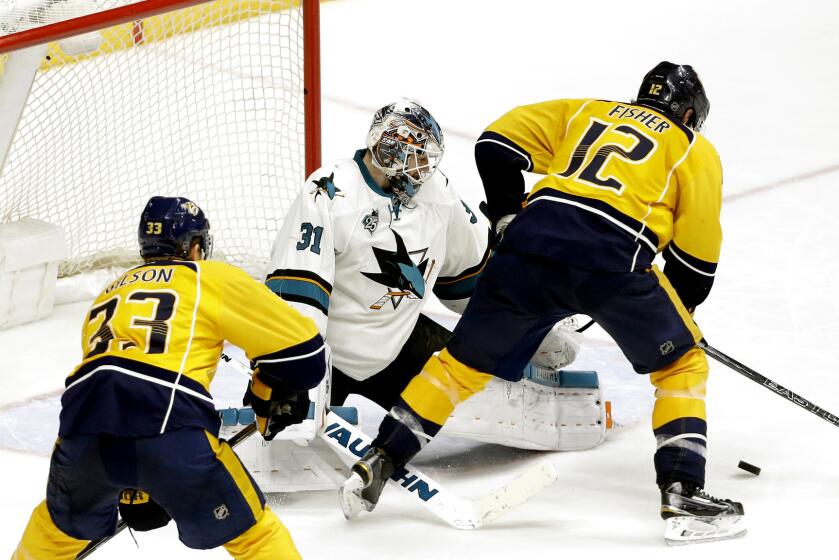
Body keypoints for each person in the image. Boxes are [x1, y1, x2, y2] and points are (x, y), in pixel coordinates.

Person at [342, 62, 745, 526]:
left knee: (458, 367)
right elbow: (695, 265)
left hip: (527, 249)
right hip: (611, 260)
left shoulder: (586, 111)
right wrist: (680, 322)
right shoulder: (693, 148)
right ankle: (682, 492)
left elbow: (495, 144)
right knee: (682, 364)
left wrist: (508, 216)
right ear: (691, 116)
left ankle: (379, 459)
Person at [251, 99, 583, 487]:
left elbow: (468, 282)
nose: (424, 169)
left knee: (479, 379)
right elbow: (300, 291)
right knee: (282, 419)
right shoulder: (329, 193)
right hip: (327, 356)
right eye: (417, 157)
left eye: (428, 159)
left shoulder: (437, 194)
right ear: (391, 149)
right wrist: (287, 366)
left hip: (399, 341)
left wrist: (529, 327)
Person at [13, 196, 327, 559]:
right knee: (254, 538)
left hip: (81, 431)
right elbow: (305, 355)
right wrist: (268, 388)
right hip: (168, 420)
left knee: (54, 535)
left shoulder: (108, 294)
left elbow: (115, 393)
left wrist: (135, 486)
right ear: (195, 247)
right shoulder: (206, 278)